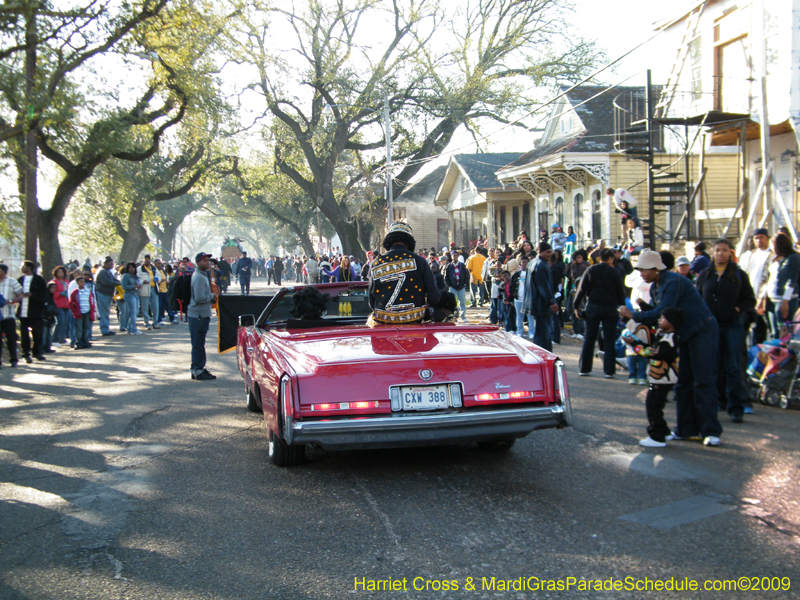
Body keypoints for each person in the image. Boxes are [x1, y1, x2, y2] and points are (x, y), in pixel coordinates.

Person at [619, 250, 723, 447]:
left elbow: (663, 312)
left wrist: (634, 316)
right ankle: (686, 429)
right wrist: (641, 311)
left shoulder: (673, 282)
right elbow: (661, 315)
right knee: (683, 381)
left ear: (656, 269)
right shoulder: (658, 285)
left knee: (703, 380)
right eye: (640, 269)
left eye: (644, 270)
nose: (641, 274)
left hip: (702, 330)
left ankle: (711, 431)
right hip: (685, 334)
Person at [695, 238, 755, 423]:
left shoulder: (738, 275)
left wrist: (737, 309)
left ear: (731, 253)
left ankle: (736, 407)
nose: (720, 253)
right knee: (715, 366)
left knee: (733, 367)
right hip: (711, 326)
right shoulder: (705, 275)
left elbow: (749, 299)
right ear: (713, 253)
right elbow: (696, 298)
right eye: (717, 250)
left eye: (724, 250)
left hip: (732, 326)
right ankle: (718, 401)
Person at [629, 307, 685, 448]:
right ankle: (664, 431)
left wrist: (635, 345)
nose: (659, 321)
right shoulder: (663, 335)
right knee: (656, 406)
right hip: (659, 378)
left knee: (653, 407)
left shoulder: (671, 338)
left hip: (662, 378)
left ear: (672, 322)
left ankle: (657, 436)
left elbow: (655, 353)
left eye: (663, 318)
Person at [368, 222, 440, 325]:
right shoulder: (420, 261)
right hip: (414, 328)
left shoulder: (375, 263)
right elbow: (434, 297)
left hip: (383, 329)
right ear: (409, 242)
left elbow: (371, 303)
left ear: (389, 241)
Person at [574, 248, 626, 377]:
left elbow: (581, 289)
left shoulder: (591, 269)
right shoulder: (615, 272)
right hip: (611, 308)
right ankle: (609, 370)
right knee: (609, 339)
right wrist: (622, 308)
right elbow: (621, 293)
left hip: (593, 306)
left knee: (589, 338)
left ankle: (584, 368)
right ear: (610, 258)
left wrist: (576, 306)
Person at [757, 232, 800, 339]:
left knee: (785, 333)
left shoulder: (793, 258)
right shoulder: (774, 260)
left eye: (775, 246)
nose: (773, 249)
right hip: (772, 301)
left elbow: (791, 280)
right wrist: (762, 298)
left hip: (785, 301)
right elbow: (769, 280)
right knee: (775, 331)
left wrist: (785, 301)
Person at [521, 242, 559, 352]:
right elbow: (543, 286)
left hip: (534, 303)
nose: (550, 254)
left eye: (551, 252)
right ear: (540, 252)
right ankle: (543, 357)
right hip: (541, 304)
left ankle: (542, 355)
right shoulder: (541, 265)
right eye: (547, 252)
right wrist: (552, 302)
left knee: (541, 332)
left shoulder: (532, 263)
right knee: (543, 334)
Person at [738, 228, 772, 344]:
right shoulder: (750, 255)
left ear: (767, 238)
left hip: (765, 297)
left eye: (761, 237)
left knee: (763, 329)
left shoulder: (771, 255)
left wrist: (762, 297)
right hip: (751, 297)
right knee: (752, 329)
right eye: (756, 238)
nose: (759, 241)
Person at [188, 252, 218, 380]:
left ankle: (196, 367)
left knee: (199, 342)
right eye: (204, 261)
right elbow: (199, 297)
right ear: (198, 263)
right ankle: (198, 369)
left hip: (201, 314)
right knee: (198, 343)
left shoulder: (203, 275)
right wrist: (212, 296)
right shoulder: (199, 277)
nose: (207, 263)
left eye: (208, 260)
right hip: (198, 315)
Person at [17, 260, 48, 362]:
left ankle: (37, 352)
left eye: (23, 266)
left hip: (35, 311)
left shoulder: (38, 280)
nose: (22, 268)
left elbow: (43, 295)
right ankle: (26, 353)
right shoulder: (20, 280)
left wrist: (32, 294)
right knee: (24, 334)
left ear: (29, 267)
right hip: (23, 311)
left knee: (37, 334)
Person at [0, 264, 22, 367]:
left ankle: (13, 359)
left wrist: (11, 301)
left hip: (8, 314)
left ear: (4, 271)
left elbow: (20, 294)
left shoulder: (11, 281)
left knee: (11, 337)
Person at [69, 274, 95, 349]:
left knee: (86, 327)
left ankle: (85, 341)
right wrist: (75, 311)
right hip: (79, 312)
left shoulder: (88, 291)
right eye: (80, 282)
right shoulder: (75, 292)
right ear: (77, 283)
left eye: (83, 282)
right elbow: (71, 303)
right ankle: (78, 342)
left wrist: (92, 310)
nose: (82, 283)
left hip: (87, 311)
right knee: (79, 328)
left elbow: (92, 300)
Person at [94, 257, 119, 336]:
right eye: (111, 264)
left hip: (106, 294)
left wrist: (117, 282)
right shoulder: (102, 272)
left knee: (106, 312)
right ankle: (104, 330)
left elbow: (113, 280)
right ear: (106, 264)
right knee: (104, 312)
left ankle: (106, 328)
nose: (112, 266)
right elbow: (107, 282)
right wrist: (116, 283)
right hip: (103, 294)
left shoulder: (107, 272)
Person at [445, 249, 469, 322]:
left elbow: (467, 275)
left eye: (456, 255)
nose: (455, 257)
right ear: (451, 256)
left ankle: (463, 316)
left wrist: (465, 283)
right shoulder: (449, 266)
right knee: (452, 303)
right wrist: (449, 284)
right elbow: (446, 276)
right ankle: (453, 317)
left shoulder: (462, 265)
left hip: (461, 286)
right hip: (453, 287)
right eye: (453, 255)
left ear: (458, 256)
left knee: (462, 302)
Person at [120, 262, 143, 335]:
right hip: (129, 294)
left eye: (133, 267)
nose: (131, 269)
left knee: (135, 312)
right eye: (130, 267)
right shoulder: (125, 276)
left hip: (135, 294)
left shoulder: (135, 276)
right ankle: (134, 329)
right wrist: (134, 286)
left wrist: (138, 286)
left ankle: (129, 329)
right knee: (133, 312)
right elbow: (124, 286)